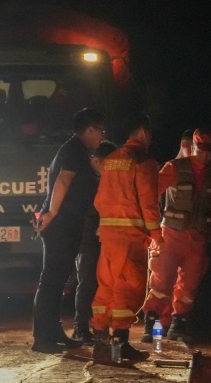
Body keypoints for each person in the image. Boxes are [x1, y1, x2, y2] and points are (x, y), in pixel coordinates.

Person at [31, 107, 107, 354]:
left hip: (67, 225)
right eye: (100, 131)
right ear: (90, 129)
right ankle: (43, 338)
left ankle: (54, 333)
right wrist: (51, 213)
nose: (102, 136)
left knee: (56, 281)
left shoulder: (77, 150)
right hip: (61, 225)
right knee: (51, 281)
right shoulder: (74, 149)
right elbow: (63, 180)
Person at [90, 113, 160, 362]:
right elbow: (149, 202)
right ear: (142, 131)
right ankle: (119, 343)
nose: (150, 138)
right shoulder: (143, 161)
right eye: (150, 133)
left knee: (107, 286)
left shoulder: (110, 159)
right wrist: (157, 234)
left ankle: (100, 339)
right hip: (132, 237)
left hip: (108, 235)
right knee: (128, 289)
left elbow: (101, 199)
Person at [141, 129, 211, 343]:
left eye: (209, 152)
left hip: (197, 239)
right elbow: (151, 193)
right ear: (193, 147)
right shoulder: (174, 168)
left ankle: (178, 322)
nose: (205, 156)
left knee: (189, 286)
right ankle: (151, 323)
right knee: (161, 281)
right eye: (201, 150)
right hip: (171, 235)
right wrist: (153, 226)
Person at [71, 140, 118, 344]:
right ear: (97, 160)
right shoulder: (85, 180)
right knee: (88, 282)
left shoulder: (101, 180)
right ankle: (81, 328)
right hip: (86, 239)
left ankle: (97, 327)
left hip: (100, 238)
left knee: (102, 284)